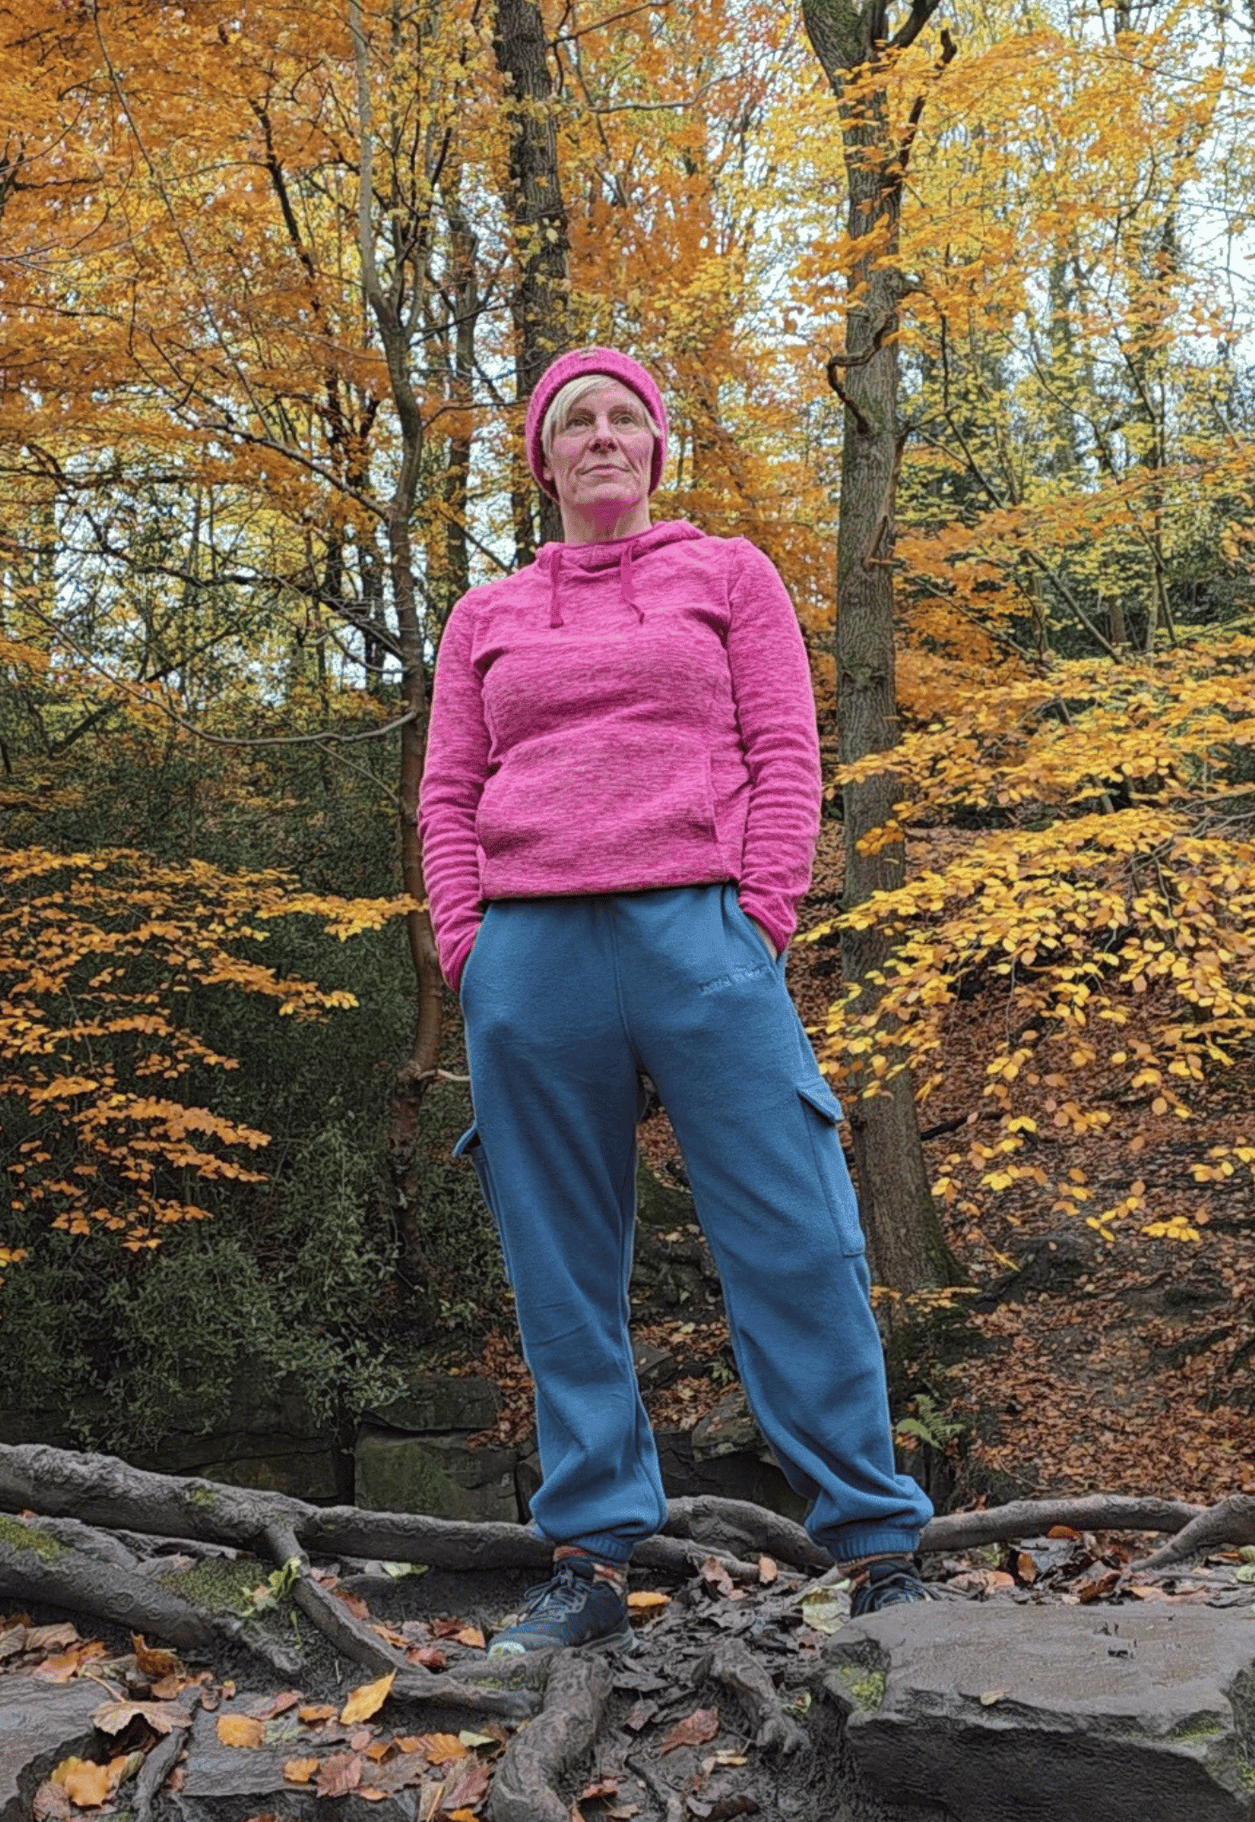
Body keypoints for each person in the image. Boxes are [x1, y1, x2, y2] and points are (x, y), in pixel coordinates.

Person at [418, 347, 933, 1656]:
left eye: (623, 417)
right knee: (560, 1263)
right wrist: (470, 949)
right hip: (529, 959)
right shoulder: (485, 616)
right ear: (543, 459)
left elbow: (787, 752)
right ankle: (592, 1556)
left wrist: (759, 920)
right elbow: (445, 793)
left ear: (655, 448)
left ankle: (875, 1543)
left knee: (797, 1231)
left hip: (702, 936)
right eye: (574, 421)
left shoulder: (728, 575)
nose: (600, 435)